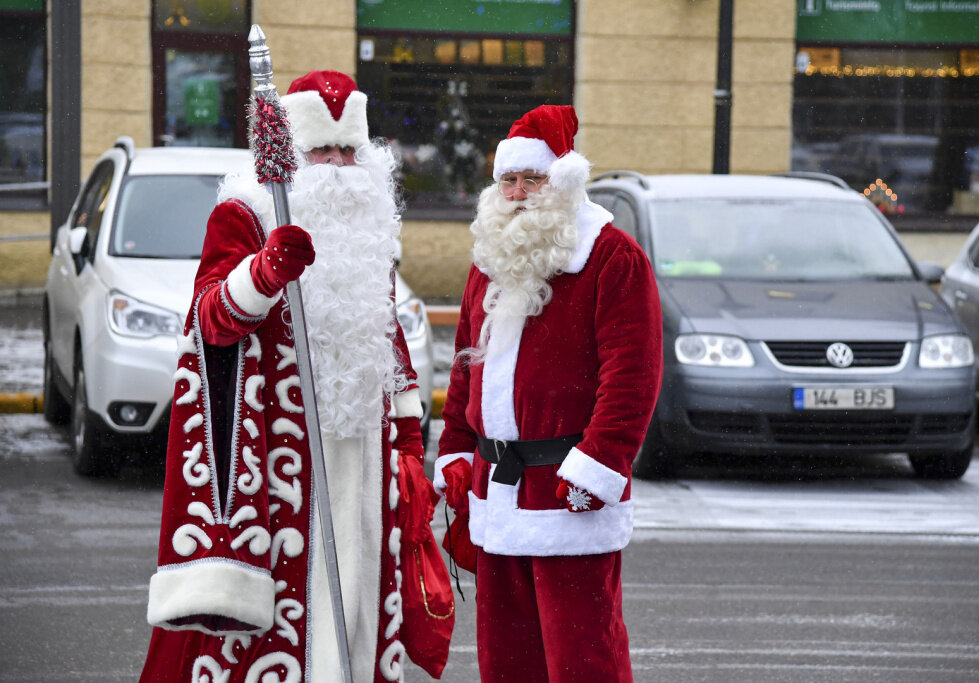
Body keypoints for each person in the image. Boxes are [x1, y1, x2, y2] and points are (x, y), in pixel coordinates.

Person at [140, 70, 440, 682]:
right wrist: (264, 271)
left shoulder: (369, 222)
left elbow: (385, 333)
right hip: (280, 462)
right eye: (320, 150)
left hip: (365, 464)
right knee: (282, 631)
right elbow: (209, 321)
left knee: (358, 617)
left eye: (347, 150)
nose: (336, 165)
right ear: (290, 154)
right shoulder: (244, 213)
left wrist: (409, 438)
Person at [433, 104, 664, 682]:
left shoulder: (612, 259)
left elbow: (633, 375)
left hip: (569, 491)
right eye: (507, 180)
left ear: (561, 180)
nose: (517, 193)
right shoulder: (488, 261)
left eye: (531, 179)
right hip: (497, 493)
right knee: (508, 660)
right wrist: (457, 453)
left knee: (582, 657)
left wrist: (600, 465)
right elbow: (465, 367)